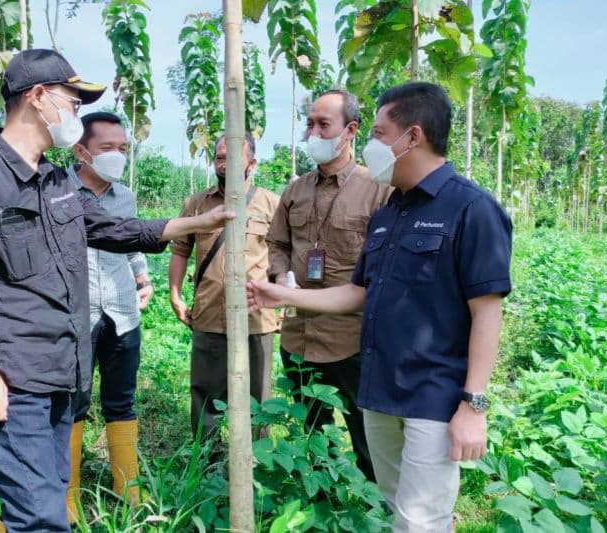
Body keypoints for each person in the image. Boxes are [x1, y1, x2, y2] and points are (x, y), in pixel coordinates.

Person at [0, 48, 233, 533]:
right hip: (13, 377)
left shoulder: (52, 178)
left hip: (63, 371)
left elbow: (113, 229)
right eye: (72, 101)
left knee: (42, 501)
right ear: (38, 96)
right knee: (41, 517)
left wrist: (198, 221)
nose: (75, 114)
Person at [248, 82, 513, 532]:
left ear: (412, 136)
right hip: (379, 389)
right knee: (396, 508)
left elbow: (487, 311)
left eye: (377, 132)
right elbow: (360, 292)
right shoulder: (391, 213)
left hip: (433, 395)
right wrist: (287, 295)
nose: (370, 143)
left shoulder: (471, 208)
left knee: (419, 520)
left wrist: (474, 405)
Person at [265, 89, 388, 481]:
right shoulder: (295, 190)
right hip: (298, 336)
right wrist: (280, 273)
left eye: (323, 124)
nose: (312, 132)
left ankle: (373, 511)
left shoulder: (377, 189)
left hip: (351, 340)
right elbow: (277, 243)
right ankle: (323, 502)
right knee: (313, 435)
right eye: (309, 123)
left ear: (350, 130)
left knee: (367, 436)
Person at [65, 112, 153, 516]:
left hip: (121, 309)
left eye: (122, 148)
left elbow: (131, 240)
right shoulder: (58, 192)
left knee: (122, 400)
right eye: (107, 148)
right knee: (72, 402)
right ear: (81, 151)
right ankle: (68, 495)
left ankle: (129, 489)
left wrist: (142, 277)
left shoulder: (125, 195)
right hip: (73, 314)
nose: (117, 156)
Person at [169, 133, 279, 443]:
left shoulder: (271, 203)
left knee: (258, 397)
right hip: (209, 314)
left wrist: (286, 306)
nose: (224, 163)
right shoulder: (196, 204)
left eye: (231, 158)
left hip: (256, 317)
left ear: (251, 163)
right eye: (219, 157)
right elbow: (180, 250)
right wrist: (175, 293)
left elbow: (286, 256)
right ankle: (206, 464)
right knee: (205, 395)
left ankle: (256, 464)